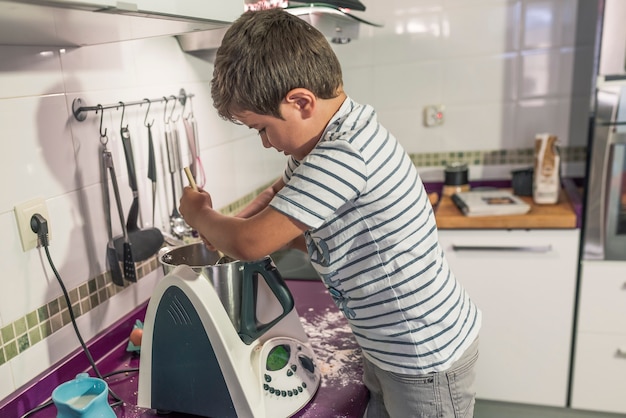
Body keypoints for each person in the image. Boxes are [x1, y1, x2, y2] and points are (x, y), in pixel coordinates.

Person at [179, 7, 481, 418]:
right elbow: (276, 193)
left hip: (423, 358)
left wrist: (200, 214)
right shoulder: (325, 143)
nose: (266, 143)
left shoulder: (344, 154)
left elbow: (252, 242)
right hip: (391, 347)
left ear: (301, 102)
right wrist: (224, 231)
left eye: (262, 128)